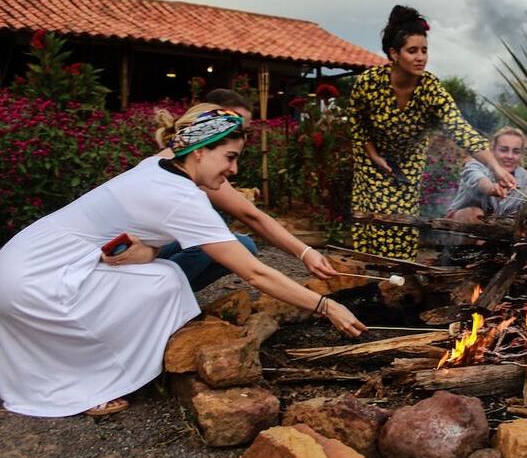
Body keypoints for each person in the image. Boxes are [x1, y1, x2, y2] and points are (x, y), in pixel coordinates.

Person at [0, 104, 365, 418]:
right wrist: (325, 305)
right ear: (201, 151)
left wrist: (303, 253)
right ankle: (85, 386)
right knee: (167, 280)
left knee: (165, 267)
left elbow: (240, 225)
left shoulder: (159, 166)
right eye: (231, 158)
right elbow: (253, 272)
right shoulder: (180, 196)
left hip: (19, 262)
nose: (234, 171)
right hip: (38, 282)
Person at [349, 5, 516, 260]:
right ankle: (367, 276)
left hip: (408, 163)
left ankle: (398, 277)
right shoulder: (368, 83)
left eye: (424, 50)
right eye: (412, 51)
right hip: (371, 160)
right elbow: (357, 124)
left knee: (401, 223)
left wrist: (497, 168)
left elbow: (461, 130)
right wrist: (373, 155)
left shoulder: (431, 89)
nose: (421, 58)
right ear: (394, 54)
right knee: (373, 218)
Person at [154, 89, 339, 291]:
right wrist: (305, 253)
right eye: (233, 122)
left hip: (147, 248)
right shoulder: (186, 164)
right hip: (130, 256)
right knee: (224, 242)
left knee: (239, 242)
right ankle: (159, 295)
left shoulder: (178, 157)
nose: (240, 133)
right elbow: (251, 217)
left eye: (244, 128)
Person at [447, 127, 527, 223]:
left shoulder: (522, 176)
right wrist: (491, 188)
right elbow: (477, 179)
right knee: (475, 214)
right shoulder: (476, 164)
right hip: (461, 222)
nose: (510, 156)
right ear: (492, 150)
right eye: (503, 150)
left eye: (516, 152)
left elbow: (514, 213)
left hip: (496, 228)